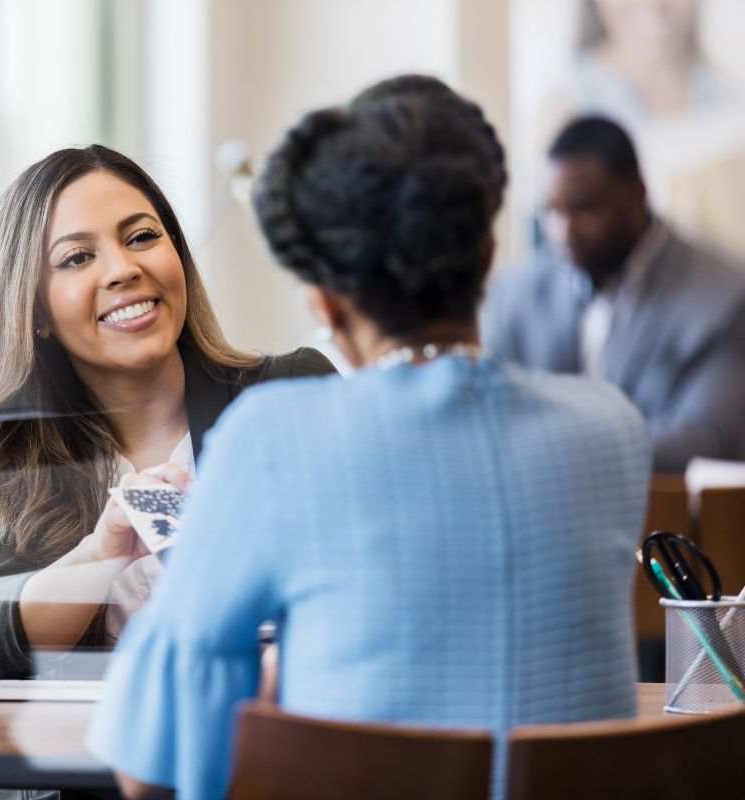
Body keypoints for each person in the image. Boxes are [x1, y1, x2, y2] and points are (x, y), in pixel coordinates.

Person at [87, 76, 652, 800]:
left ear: (323, 301)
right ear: (486, 256)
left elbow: (149, 764)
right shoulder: (611, 429)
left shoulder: (276, 435)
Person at [0, 145, 335, 680]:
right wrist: (100, 553)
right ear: (35, 309)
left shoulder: (291, 392)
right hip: (90, 751)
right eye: (77, 258)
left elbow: (371, 585)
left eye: (142, 238)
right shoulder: (8, 444)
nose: (124, 269)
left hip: (273, 741)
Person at [485, 114, 745, 472]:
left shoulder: (725, 293)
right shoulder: (517, 293)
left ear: (638, 193)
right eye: (551, 211)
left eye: (584, 208)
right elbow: (489, 416)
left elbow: (706, 438)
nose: (563, 232)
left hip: (669, 519)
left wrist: (547, 445)